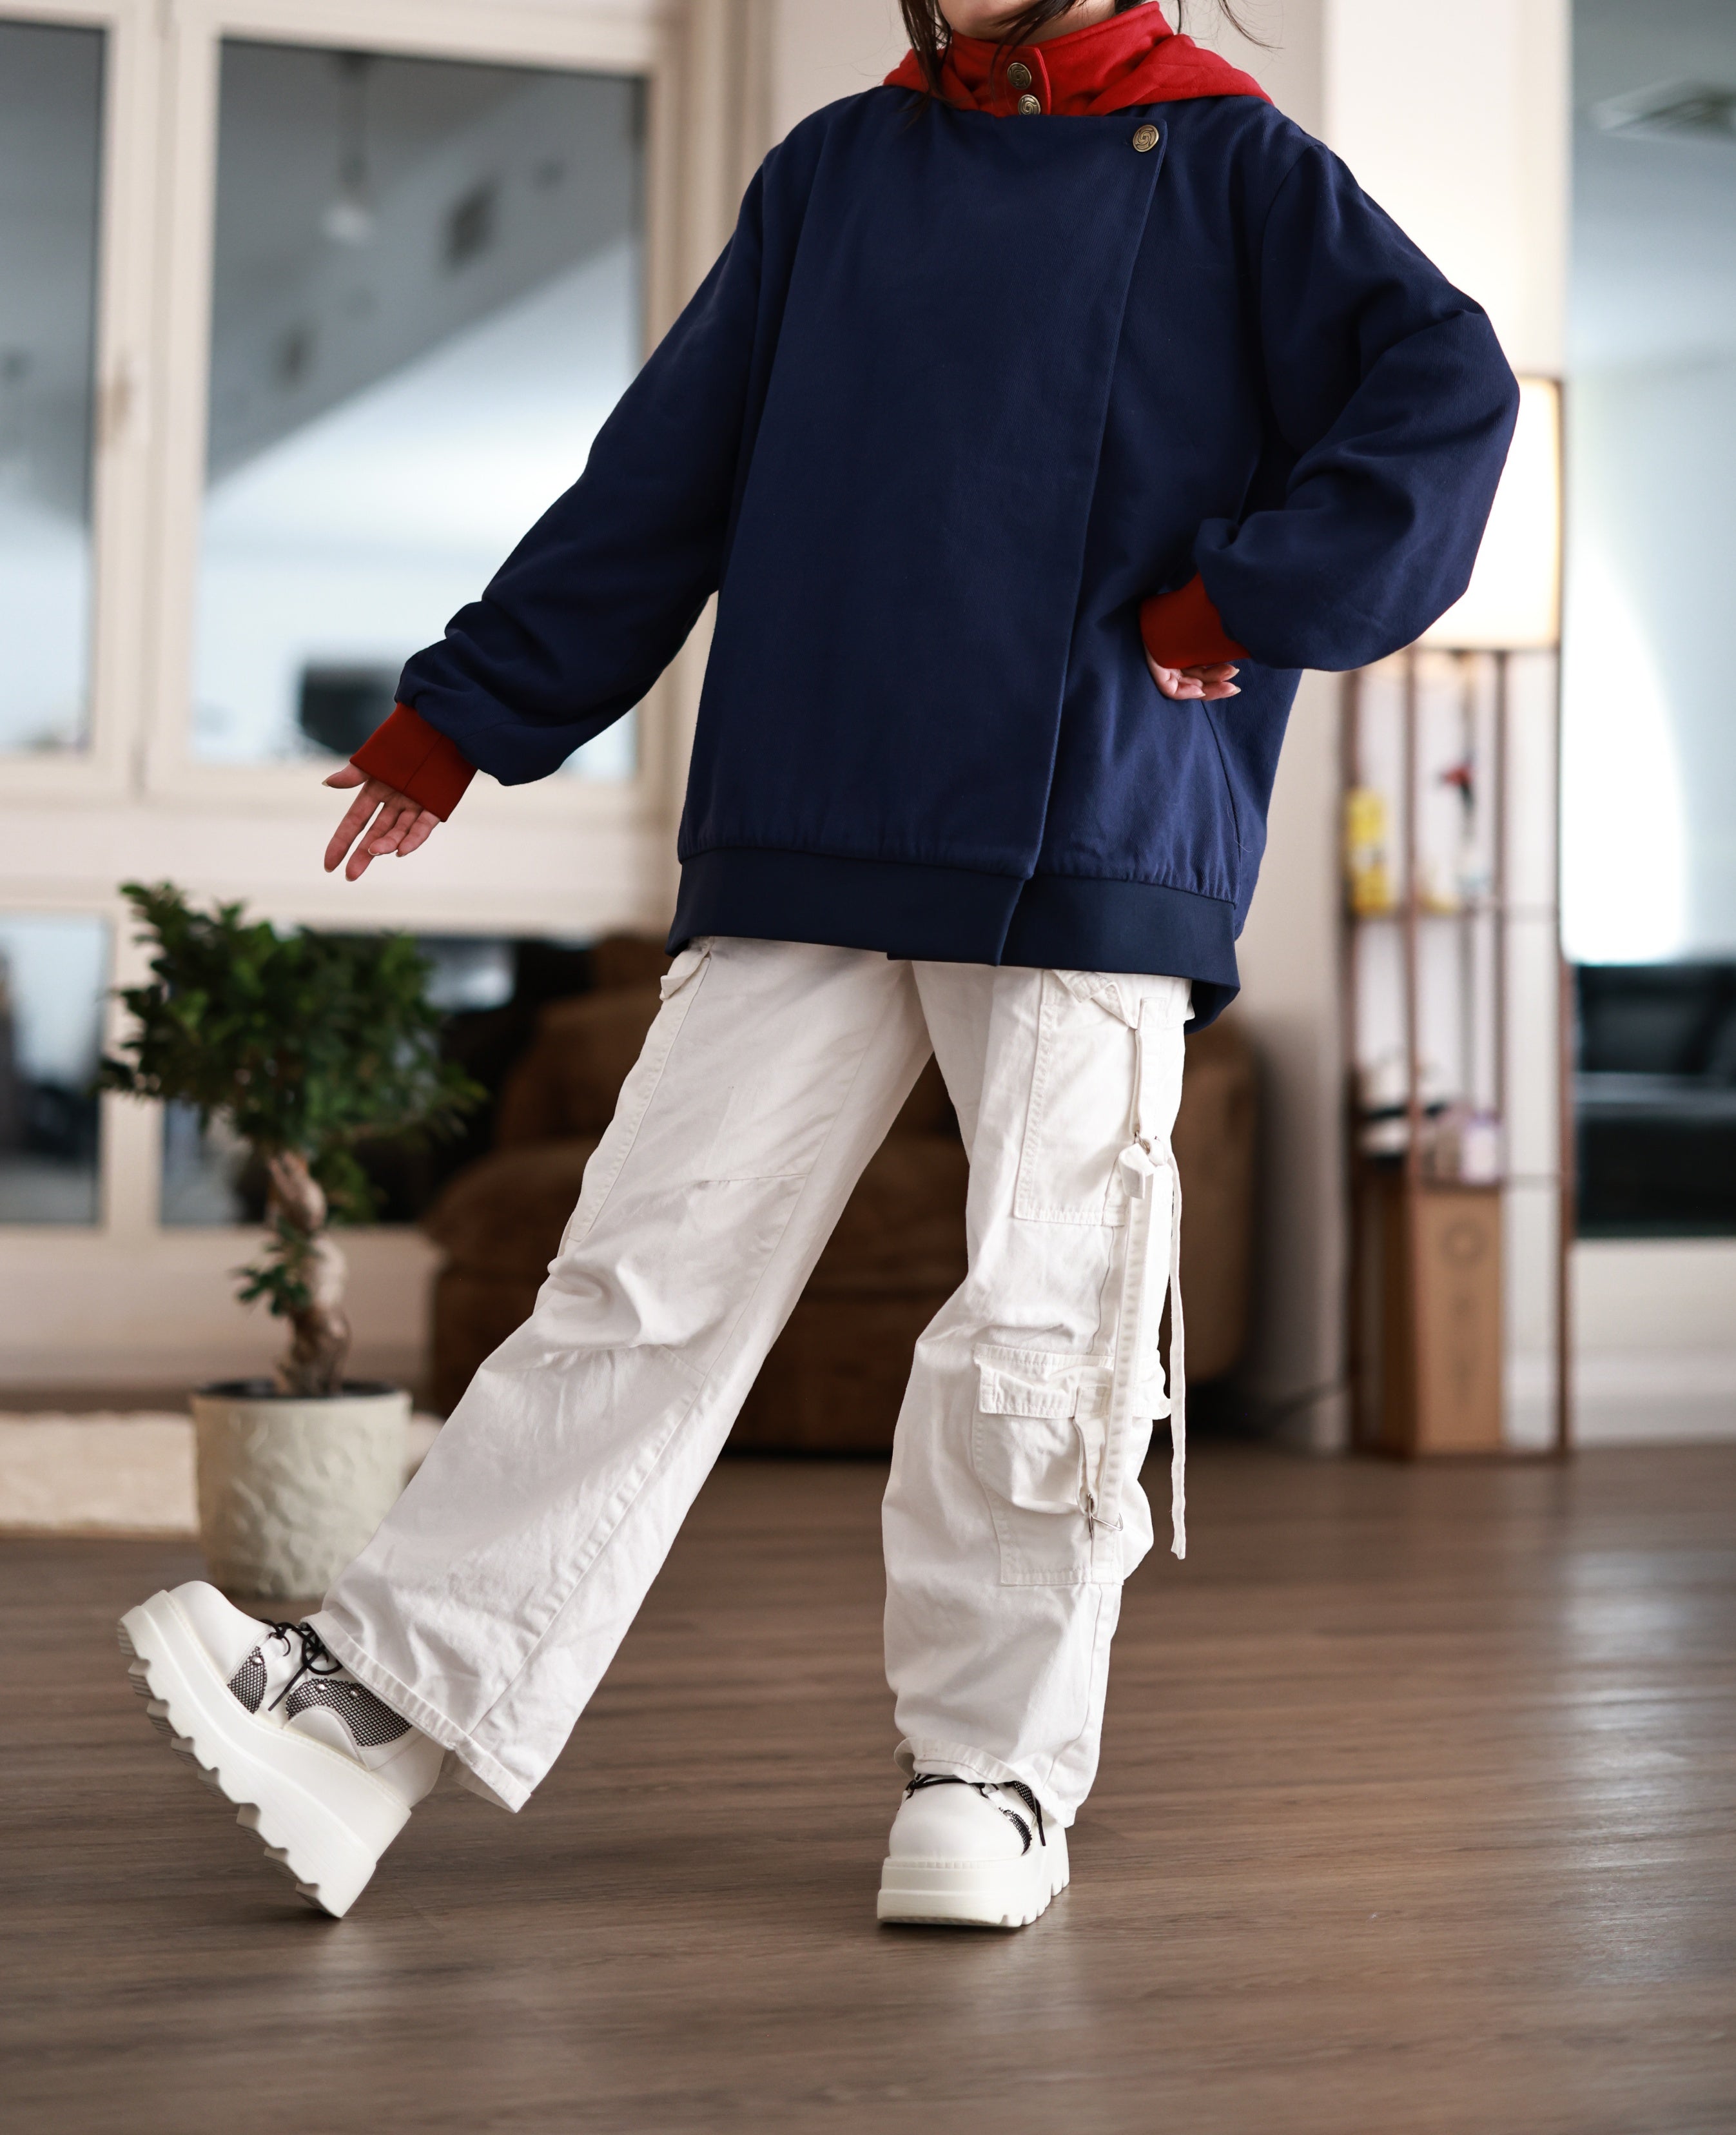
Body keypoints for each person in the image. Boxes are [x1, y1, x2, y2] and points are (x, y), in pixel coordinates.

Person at [118, 0, 1517, 1926]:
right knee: (637, 1282)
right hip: (810, 803)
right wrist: (469, 712)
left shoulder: (1238, 165)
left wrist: (1244, 598)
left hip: (1089, 822)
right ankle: (372, 1716)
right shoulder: (835, 173)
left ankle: (989, 1778)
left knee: (1045, 1321)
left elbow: (1451, 395)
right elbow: (666, 473)